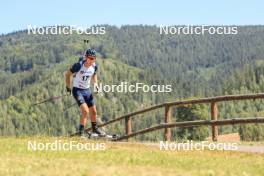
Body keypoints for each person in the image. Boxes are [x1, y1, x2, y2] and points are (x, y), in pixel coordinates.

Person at [65, 49, 104, 137]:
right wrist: (68, 87)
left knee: (93, 111)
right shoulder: (78, 65)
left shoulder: (94, 66)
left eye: (94, 58)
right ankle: (81, 132)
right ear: (86, 57)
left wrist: (96, 85)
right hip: (77, 90)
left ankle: (95, 129)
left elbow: (94, 75)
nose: (92, 60)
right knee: (85, 111)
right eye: (90, 58)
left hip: (87, 90)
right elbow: (67, 74)